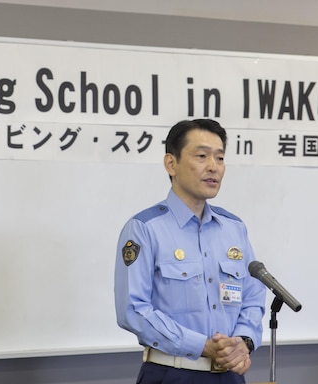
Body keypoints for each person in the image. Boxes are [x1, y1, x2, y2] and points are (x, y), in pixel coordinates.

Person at [114, 119, 266, 384]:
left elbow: (253, 296)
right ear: (171, 164)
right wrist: (201, 345)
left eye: (220, 158)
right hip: (172, 374)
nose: (213, 167)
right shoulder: (144, 228)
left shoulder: (234, 228)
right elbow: (134, 310)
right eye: (202, 156)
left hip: (229, 376)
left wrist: (243, 342)